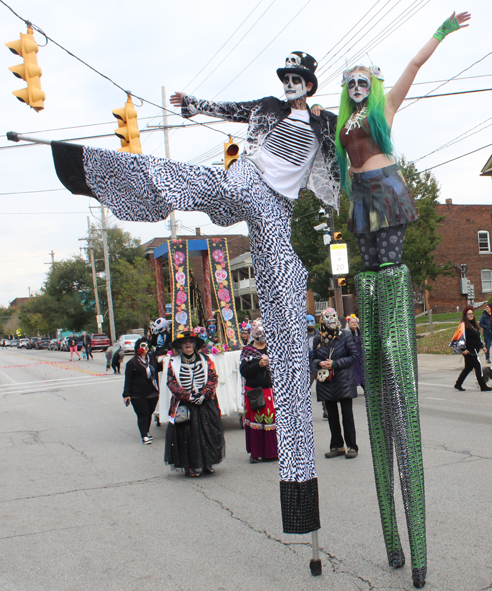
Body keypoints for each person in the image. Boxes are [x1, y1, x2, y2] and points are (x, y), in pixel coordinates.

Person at [49, 50, 340, 534]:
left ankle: (298, 486)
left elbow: (354, 139)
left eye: (297, 78)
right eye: (285, 77)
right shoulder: (267, 106)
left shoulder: (325, 124)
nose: (289, 84)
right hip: (245, 177)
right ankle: (97, 172)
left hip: (275, 204)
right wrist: (193, 104)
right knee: (199, 181)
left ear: (309, 84)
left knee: (282, 286)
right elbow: (233, 110)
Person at [315, 12, 470, 588]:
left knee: (388, 272)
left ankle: (418, 549)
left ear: (371, 86)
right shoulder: (339, 126)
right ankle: (394, 543)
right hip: (366, 227)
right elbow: (292, 118)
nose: (358, 87)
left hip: (387, 198)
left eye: (364, 80)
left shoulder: (382, 111)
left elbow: (412, 65)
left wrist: (444, 30)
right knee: (374, 269)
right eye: (350, 81)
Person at [164, 331, 224, 477]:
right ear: (180, 346)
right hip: (185, 405)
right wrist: (187, 396)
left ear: (196, 345)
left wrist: (204, 394)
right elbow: (171, 383)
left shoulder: (206, 360)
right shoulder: (174, 362)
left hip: (205, 403)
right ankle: (189, 466)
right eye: (184, 342)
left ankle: (207, 462)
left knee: (208, 433)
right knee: (187, 437)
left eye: (190, 342)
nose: (188, 344)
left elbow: (213, 378)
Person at [311, 308, 358, 459]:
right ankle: (337, 445)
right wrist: (320, 364)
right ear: (322, 320)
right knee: (332, 416)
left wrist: (336, 364)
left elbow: (353, 356)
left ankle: (352, 446)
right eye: (328, 317)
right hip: (326, 381)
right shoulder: (318, 338)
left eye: (333, 316)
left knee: (347, 415)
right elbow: (312, 359)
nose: (331, 319)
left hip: (343, 380)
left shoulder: (345, 335)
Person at [240, 320, 278, 464]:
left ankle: (271, 452)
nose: (261, 335)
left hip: (270, 390)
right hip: (254, 391)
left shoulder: (273, 349)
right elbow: (244, 371)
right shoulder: (247, 351)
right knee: (255, 421)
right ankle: (255, 453)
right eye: (258, 332)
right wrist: (259, 365)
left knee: (270, 420)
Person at [123, 338, 159, 444]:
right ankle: (144, 436)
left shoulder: (152, 358)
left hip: (152, 392)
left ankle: (146, 431)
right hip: (137, 394)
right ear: (138, 348)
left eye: (147, 345)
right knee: (142, 414)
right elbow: (128, 379)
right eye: (143, 346)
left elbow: (159, 368)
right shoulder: (132, 363)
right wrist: (126, 394)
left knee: (149, 412)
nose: (146, 348)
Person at [454, 307, 492, 392]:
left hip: (474, 349)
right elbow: (458, 338)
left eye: (472, 314)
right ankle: (483, 386)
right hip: (469, 351)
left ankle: (458, 384)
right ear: (465, 315)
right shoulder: (463, 325)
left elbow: (477, 338)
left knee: (468, 368)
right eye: (469, 314)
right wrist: (462, 349)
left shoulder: (473, 325)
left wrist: (482, 346)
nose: (471, 315)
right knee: (478, 366)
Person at [346, 314, 364, 391]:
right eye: (352, 322)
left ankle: (365, 389)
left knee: (362, 372)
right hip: (353, 356)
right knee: (354, 373)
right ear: (349, 324)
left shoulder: (361, 333)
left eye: (355, 322)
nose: (354, 324)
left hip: (361, 355)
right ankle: (352, 390)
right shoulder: (347, 334)